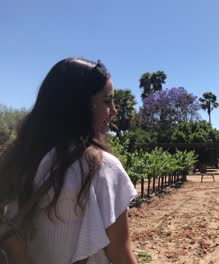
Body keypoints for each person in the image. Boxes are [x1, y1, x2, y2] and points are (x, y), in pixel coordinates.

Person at [0, 58, 138, 264]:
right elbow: (120, 255)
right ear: (81, 105)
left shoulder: (19, 164)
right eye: (107, 101)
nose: (114, 111)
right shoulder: (102, 168)